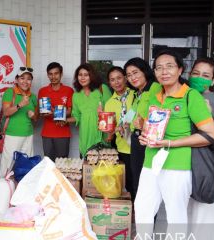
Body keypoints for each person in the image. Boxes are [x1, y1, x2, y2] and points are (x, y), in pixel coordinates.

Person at [135, 49, 214, 238]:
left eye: (169, 66)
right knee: (142, 210)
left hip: (177, 165)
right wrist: (144, 136)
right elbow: (151, 128)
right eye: (158, 68)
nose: (164, 71)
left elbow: (212, 134)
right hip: (151, 163)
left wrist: (170, 143)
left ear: (180, 70)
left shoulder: (191, 96)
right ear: (154, 73)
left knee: (175, 216)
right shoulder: (155, 96)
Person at [188, 57, 214, 239]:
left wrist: (209, 117)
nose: (199, 78)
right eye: (196, 73)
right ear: (189, 74)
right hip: (183, 163)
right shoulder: (184, 96)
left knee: (202, 218)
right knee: (184, 215)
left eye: (205, 75)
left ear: (213, 80)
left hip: (205, 165)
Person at [124, 57, 161, 201]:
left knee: (147, 180)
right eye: (129, 75)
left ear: (144, 71)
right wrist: (123, 124)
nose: (132, 77)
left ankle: (148, 218)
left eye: (135, 72)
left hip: (148, 140)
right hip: (136, 139)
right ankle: (139, 212)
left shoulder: (155, 88)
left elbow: (159, 116)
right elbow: (132, 113)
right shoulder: (138, 93)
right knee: (136, 176)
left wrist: (144, 123)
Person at [0, 67, 38, 176]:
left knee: (26, 168)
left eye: (29, 79)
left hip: (28, 136)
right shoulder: (10, 92)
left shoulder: (33, 97)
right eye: (22, 78)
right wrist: (20, 105)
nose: (25, 81)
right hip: (12, 135)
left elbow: (36, 118)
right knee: (6, 168)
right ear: (16, 80)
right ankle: (1, 191)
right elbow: (6, 112)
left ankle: (21, 192)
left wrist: (33, 116)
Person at [66, 63, 112, 158]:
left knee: (102, 170)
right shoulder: (76, 95)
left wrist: (102, 113)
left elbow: (111, 113)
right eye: (80, 75)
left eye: (86, 75)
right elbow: (76, 116)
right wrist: (64, 120)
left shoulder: (102, 88)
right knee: (87, 169)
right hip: (85, 137)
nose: (82, 78)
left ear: (92, 76)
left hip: (102, 136)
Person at [104, 66, 135, 196]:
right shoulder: (109, 103)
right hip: (123, 148)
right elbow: (109, 135)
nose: (116, 82)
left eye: (119, 78)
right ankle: (132, 213)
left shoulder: (136, 94)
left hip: (140, 145)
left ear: (126, 79)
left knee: (141, 183)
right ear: (109, 83)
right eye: (112, 80)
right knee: (128, 183)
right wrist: (110, 130)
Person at [38, 62, 74, 161]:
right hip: (47, 133)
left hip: (63, 132)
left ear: (61, 74)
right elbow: (41, 113)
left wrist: (54, 112)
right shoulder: (42, 91)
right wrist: (57, 111)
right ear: (47, 75)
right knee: (48, 164)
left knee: (62, 164)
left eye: (56, 73)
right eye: (50, 74)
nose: (53, 76)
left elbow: (70, 111)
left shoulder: (69, 90)